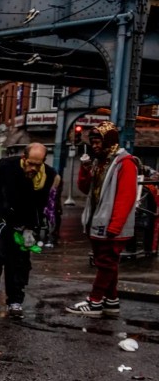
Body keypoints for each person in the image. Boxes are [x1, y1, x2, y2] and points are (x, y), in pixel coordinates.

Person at [0, 143, 58, 320]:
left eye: (38, 164)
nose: (33, 168)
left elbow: (46, 203)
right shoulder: (6, 166)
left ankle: (15, 302)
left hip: (26, 226)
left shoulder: (48, 175)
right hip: (2, 220)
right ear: (23, 158)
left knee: (19, 263)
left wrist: (40, 225)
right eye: (30, 163)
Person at [65, 121, 139, 317]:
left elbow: (126, 196)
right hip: (98, 222)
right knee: (106, 263)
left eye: (98, 142)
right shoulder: (100, 161)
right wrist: (85, 168)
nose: (95, 146)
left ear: (110, 141)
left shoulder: (125, 163)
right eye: (93, 142)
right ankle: (111, 301)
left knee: (106, 263)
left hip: (110, 225)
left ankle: (95, 301)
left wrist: (115, 226)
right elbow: (85, 188)